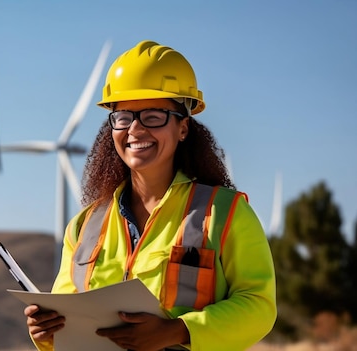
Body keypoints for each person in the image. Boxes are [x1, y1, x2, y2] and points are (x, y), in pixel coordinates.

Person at [24, 40, 277, 351]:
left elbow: (258, 306)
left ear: (183, 128)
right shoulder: (84, 226)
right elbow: (68, 322)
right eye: (123, 116)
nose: (135, 129)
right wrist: (46, 334)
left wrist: (176, 331)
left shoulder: (225, 213)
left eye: (153, 116)